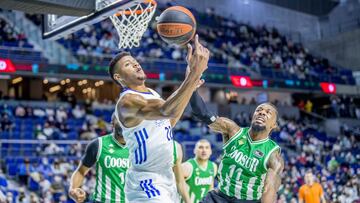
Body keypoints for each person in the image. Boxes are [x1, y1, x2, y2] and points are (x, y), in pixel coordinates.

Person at [109, 34, 209, 202]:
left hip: (166, 177)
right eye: (128, 64)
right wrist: (193, 75)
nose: (135, 64)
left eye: (135, 61)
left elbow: (170, 120)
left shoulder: (151, 93)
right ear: (119, 78)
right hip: (146, 180)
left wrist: (190, 83)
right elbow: (166, 110)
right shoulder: (127, 101)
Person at [190, 91, 284, 203]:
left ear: (274, 125)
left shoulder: (273, 154)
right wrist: (192, 87)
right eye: (259, 110)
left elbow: (270, 189)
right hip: (219, 197)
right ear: (252, 116)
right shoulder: (233, 131)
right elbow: (203, 113)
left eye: (268, 112)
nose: (262, 113)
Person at [69, 113, 129, 203]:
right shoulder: (98, 144)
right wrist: (73, 189)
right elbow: (81, 171)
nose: (123, 123)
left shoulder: (141, 146)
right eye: (119, 119)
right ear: (112, 123)